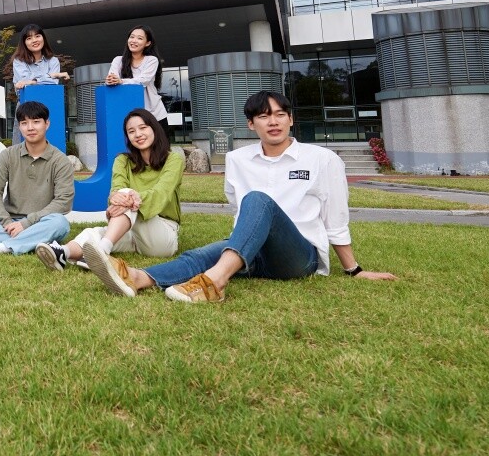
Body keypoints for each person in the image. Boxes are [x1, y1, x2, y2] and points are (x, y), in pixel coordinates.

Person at [85, 91, 397, 303]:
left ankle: (215, 283)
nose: (272, 122)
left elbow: (335, 218)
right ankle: (139, 278)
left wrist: (353, 269)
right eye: (263, 116)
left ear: (291, 119)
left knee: (258, 200)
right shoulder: (238, 159)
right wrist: (230, 247)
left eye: (279, 115)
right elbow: (239, 214)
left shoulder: (322, 159)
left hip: (298, 256)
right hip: (251, 251)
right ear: (251, 124)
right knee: (199, 255)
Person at [36, 109, 181, 271]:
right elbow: (116, 189)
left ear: (154, 128)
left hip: (162, 235)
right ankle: (64, 252)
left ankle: (102, 251)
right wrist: (116, 196)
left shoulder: (173, 159)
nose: (138, 134)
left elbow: (162, 192)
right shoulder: (123, 161)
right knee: (97, 232)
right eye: (131, 131)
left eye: (143, 128)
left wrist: (132, 197)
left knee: (125, 194)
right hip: (132, 230)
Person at [0, 101, 73, 255]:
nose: (30, 128)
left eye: (36, 122)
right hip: (10, 222)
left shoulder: (60, 160)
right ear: (20, 127)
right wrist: (7, 221)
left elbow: (63, 202)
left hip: (41, 222)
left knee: (60, 223)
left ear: (46, 124)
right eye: (24, 123)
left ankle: (3, 247)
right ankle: (31, 242)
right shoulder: (8, 155)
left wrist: (27, 223)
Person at [105, 25, 168, 131]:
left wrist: (121, 81)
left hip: (154, 114)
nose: (134, 41)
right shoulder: (118, 60)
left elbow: (143, 80)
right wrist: (111, 80)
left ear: (147, 43)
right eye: (132, 37)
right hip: (129, 114)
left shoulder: (151, 60)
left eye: (139, 38)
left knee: (160, 147)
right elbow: (112, 77)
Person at [11, 23, 69, 90]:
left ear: (43, 38)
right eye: (29, 38)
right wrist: (53, 75)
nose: (34, 40)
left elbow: (52, 84)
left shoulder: (53, 61)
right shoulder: (19, 61)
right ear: (24, 43)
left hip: (49, 98)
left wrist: (32, 81)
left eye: (37, 36)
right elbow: (24, 81)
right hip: (27, 99)